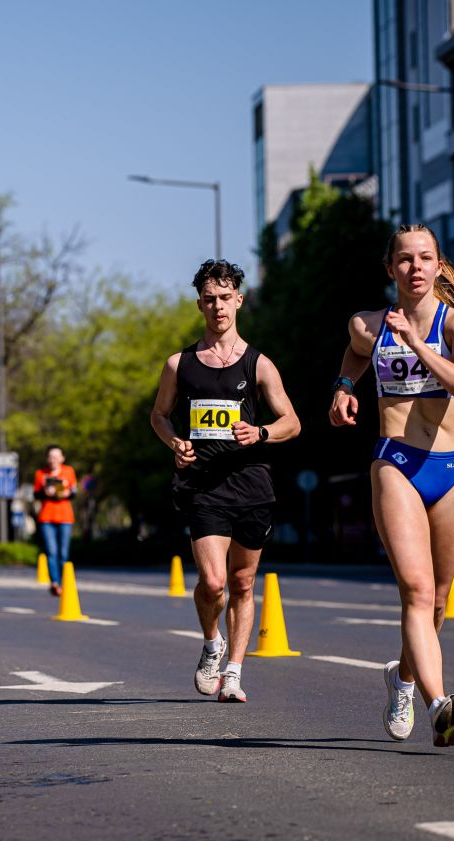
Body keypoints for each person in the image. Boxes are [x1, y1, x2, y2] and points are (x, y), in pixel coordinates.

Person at [330, 224, 454, 748]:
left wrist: (417, 343)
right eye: (404, 260)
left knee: (438, 601)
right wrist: (345, 387)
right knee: (415, 590)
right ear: (390, 268)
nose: (415, 268)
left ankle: (404, 679)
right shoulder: (368, 324)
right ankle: (439, 702)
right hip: (395, 462)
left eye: (425, 259)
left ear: (438, 266)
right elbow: (354, 354)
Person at [150, 259, 300, 704]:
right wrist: (175, 442)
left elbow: (293, 421)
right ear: (200, 304)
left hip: (251, 484)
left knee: (243, 582)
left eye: (225, 297)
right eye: (209, 299)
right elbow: (158, 415)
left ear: (239, 300)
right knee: (213, 582)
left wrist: (262, 433)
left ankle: (233, 672)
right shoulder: (180, 364)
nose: (218, 306)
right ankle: (212, 642)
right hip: (202, 486)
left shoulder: (259, 364)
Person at [34, 446, 77, 596]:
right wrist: (46, 492)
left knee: (63, 552)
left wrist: (65, 492)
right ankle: (55, 582)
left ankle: (65, 581)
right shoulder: (41, 474)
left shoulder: (69, 471)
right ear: (47, 459)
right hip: (47, 516)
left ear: (62, 458)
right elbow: (36, 494)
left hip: (65, 517)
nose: (53, 460)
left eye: (56, 456)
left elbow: (74, 492)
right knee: (51, 551)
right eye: (51, 457)